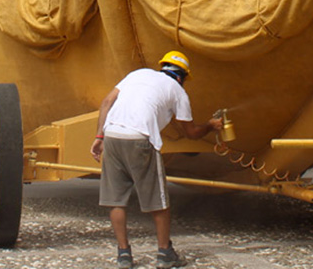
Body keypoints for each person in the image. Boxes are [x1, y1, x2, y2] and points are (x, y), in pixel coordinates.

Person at [91, 51, 223, 269]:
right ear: (182, 76)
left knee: (115, 199)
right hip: (140, 138)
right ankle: (164, 253)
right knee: (158, 200)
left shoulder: (137, 74)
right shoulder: (178, 91)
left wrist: (99, 137)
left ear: (163, 66)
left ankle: (123, 255)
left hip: (112, 135)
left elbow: (106, 102)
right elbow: (191, 133)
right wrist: (210, 125)